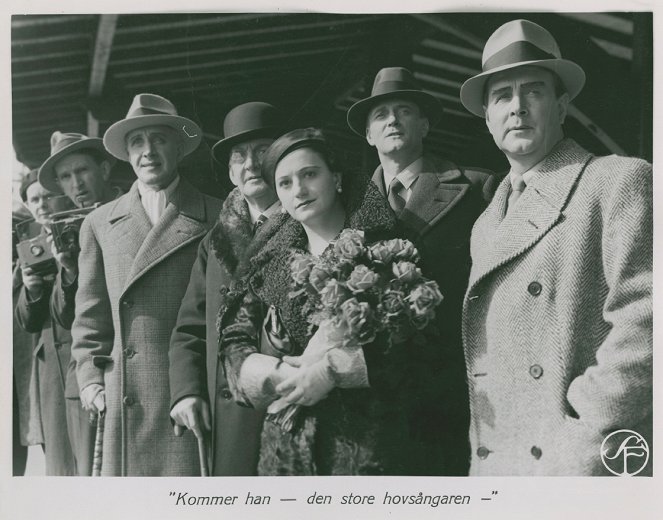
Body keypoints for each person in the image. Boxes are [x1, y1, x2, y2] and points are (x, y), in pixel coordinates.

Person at [459, 19, 652, 476]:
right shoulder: (486, 224)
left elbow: (647, 324)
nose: (517, 108)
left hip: (574, 465)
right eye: (502, 96)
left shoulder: (617, 180)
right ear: (487, 118)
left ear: (562, 106)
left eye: (534, 91)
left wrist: (582, 438)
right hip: (499, 465)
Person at [219, 128, 446, 475]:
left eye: (310, 174)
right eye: (285, 183)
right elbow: (234, 341)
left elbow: (426, 350)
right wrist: (279, 376)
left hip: (370, 451)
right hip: (288, 455)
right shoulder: (267, 263)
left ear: (336, 178)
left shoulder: (388, 248)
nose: (299, 190)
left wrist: (332, 371)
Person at [346, 66, 494, 475]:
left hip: (450, 388)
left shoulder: (478, 188)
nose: (392, 119)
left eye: (404, 110)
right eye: (380, 115)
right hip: (374, 392)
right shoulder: (347, 204)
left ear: (424, 124)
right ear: (369, 134)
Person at [71, 93, 222, 476]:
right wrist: (90, 380)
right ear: (126, 152)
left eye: (159, 139)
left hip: (188, 393)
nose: (148, 151)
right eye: (137, 141)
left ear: (179, 148)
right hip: (124, 396)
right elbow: (90, 317)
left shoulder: (217, 214)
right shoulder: (99, 224)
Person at [168, 102, 284, 475]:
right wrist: (186, 391)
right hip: (230, 419)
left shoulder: (313, 222)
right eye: (239, 155)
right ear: (231, 171)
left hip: (290, 410)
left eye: (262, 151)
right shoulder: (215, 241)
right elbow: (188, 328)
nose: (250, 164)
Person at [37, 131, 122, 475]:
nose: (76, 183)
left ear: (103, 168)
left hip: (133, 366)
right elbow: (61, 317)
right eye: (66, 177)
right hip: (86, 379)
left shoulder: (132, 208)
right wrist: (69, 270)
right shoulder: (64, 229)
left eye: (82, 171)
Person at [14, 171, 77, 475]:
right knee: (60, 464)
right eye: (33, 199)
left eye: (47, 195)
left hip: (83, 356)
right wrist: (32, 290)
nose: (41, 204)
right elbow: (25, 322)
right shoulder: (30, 250)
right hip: (51, 367)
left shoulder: (80, 231)